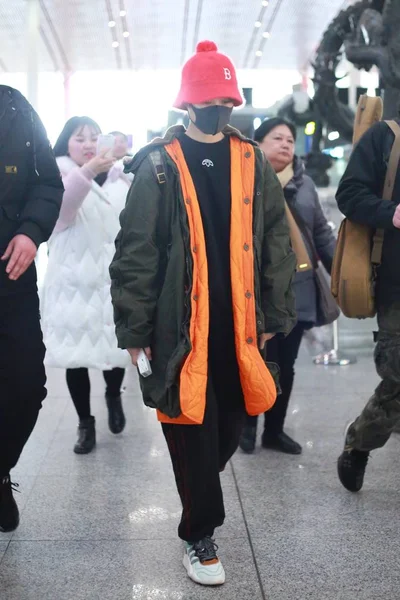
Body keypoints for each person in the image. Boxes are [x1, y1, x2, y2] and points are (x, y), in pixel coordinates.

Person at [110, 41, 296, 586]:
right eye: (211, 97)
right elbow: (136, 250)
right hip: (180, 325)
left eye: (227, 98)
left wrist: (272, 312)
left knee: (228, 427)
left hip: (238, 323)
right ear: (189, 104)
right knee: (191, 423)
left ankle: (197, 491)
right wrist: (134, 329)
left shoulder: (250, 160)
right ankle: (200, 535)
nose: (220, 106)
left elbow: (275, 239)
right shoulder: (159, 165)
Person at [239, 117, 336, 455]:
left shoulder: (304, 184)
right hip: (257, 286)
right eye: (277, 138)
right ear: (259, 143)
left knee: (287, 363)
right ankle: (248, 425)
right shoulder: (244, 180)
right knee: (256, 359)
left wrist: (339, 268)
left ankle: (274, 430)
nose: (285, 145)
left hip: (299, 285)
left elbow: (321, 231)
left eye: (290, 140)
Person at [41, 116, 131, 455]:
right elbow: (63, 210)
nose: (89, 144)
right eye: (80, 138)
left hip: (112, 280)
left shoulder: (121, 179)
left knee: (117, 348)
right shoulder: (54, 176)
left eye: (94, 137)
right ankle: (85, 423)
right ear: (66, 144)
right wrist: (90, 169)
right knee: (76, 355)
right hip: (72, 281)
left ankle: (113, 395)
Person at [0, 86, 63, 532]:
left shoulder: (13, 106)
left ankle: (0, 470)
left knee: (27, 383)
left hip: (11, 271)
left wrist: (30, 230)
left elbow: (46, 180)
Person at [336, 118, 400, 492]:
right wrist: (389, 212)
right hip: (397, 283)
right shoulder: (387, 137)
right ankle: (360, 442)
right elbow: (350, 193)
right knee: (397, 377)